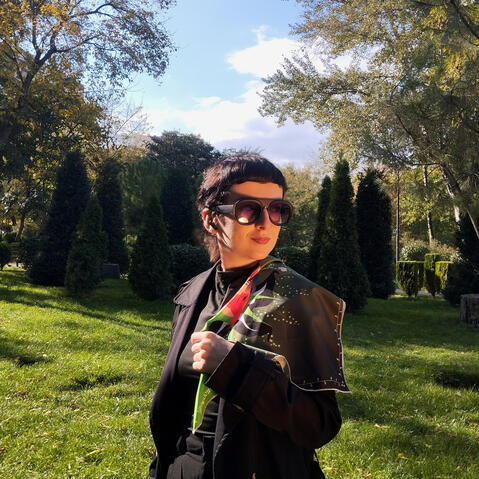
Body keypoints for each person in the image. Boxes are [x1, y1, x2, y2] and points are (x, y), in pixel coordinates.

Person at [147, 153, 349, 479]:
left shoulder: (300, 301)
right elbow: (174, 403)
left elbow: (319, 424)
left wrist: (236, 368)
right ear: (211, 219)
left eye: (277, 209)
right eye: (248, 209)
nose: (266, 222)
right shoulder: (191, 293)